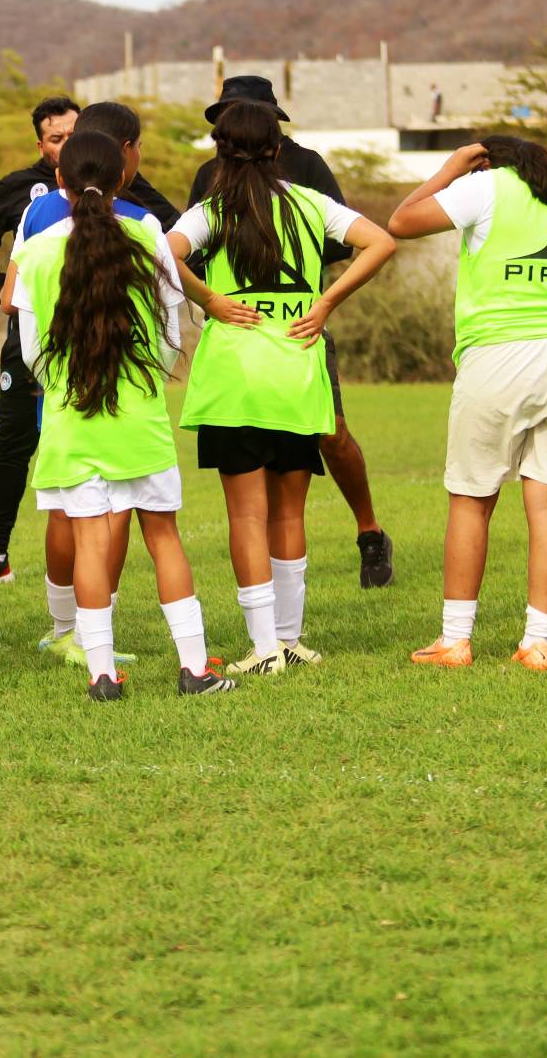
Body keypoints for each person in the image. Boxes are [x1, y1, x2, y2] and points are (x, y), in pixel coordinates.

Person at [171, 101, 397, 674]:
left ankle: (265, 646)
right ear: (278, 148)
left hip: (234, 380)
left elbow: (158, 255)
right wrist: (325, 304)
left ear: (219, 151)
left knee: (247, 517)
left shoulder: (212, 210)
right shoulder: (310, 202)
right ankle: (291, 641)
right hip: (297, 374)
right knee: (289, 514)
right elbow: (382, 243)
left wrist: (210, 299)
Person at [14, 130, 236, 699]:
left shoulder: (36, 251)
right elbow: (170, 332)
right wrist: (146, 381)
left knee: (90, 544)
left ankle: (102, 675)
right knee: (164, 537)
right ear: (122, 179)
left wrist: (63, 384)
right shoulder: (149, 235)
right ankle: (194, 669)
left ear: (60, 181)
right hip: (139, 415)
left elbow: (31, 350)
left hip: (70, 417)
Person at [388, 136, 547, 672]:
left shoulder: (485, 186)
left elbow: (402, 221)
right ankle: (538, 642)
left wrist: (453, 167)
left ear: (493, 161)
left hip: (501, 353)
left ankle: (455, 641)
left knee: (472, 498)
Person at [0, 95, 177, 588]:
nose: (68, 146)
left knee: (74, 499)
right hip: (72, 362)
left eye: (75, 137)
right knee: (26, 457)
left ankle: (72, 625)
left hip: (70, 366)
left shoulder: (141, 209)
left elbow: (175, 251)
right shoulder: (31, 202)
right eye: (58, 139)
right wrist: (1, 295)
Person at [0, 100, 157, 668]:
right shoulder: (139, 223)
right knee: (112, 511)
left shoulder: (35, 214)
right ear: (122, 160)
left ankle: (64, 625)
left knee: (65, 507)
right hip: (124, 387)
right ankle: (95, 629)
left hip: (57, 384)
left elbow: (9, 298)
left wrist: (50, 371)